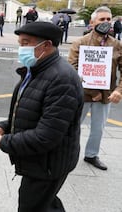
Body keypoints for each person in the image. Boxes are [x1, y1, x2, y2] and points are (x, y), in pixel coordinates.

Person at [0, 21, 84, 212]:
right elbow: (32, 112)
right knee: (45, 202)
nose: (21, 49)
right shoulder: (38, 70)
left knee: (32, 206)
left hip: (48, 165)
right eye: (20, 43)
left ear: (46, 45)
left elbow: (46, 136)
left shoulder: (61, 80)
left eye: (26, 43)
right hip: (41, 161)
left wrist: (4, 141)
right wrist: (4, 126)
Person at [68, 6, 122, 171]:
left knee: (98, 128)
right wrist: (93, 92)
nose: (106, 22)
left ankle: (91, 155)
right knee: (73, 125)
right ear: (92, 22)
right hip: (82, 95)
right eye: (102, 19)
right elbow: (72, 70)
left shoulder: (117, 45)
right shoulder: (80, 43)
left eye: (108, 19)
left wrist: (119, 90)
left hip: (106, 96)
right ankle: (68, 154)